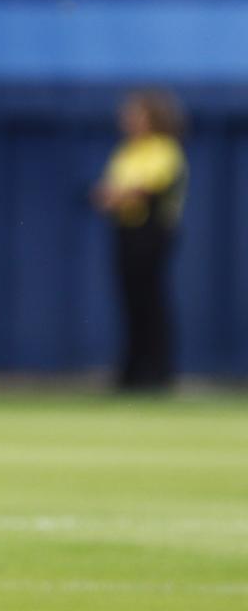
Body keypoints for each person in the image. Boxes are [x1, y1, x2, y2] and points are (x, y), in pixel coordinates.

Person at [92, 90, 187, 392]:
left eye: (135, 114)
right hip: (126, 231)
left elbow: (145, 190)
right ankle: (131, 373)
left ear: (153, 117)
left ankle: (159, 373)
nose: (128, 120)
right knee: (130, 300)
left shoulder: (164, 149)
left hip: (153, 232)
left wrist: (118, 195)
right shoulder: (127, 151)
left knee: (151, 300)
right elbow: (109, 190)